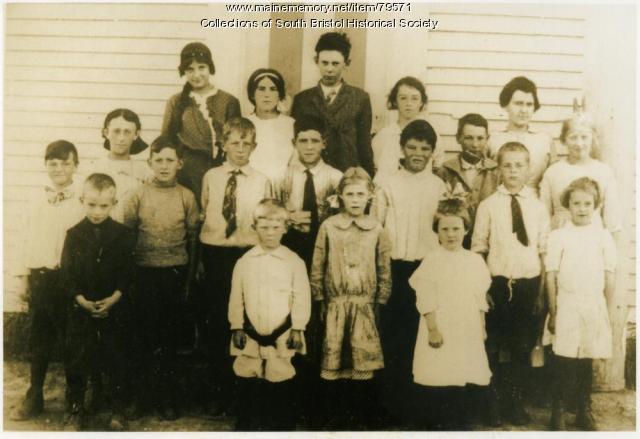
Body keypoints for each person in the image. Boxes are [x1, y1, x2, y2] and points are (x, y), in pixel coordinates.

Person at [370, 119, 445, 423]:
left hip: (426, 269)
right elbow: (376, 227)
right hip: (395, 267)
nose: (418, 153)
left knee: (422, 335)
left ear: (432, 153)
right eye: (412, 147)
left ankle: (420, 407)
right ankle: (391, 406)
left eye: (424, 149)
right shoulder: (385, 181)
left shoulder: (438, 186)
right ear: (401, 148)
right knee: (393, 335)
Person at [121, 137, 200, 420]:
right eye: (158, 160)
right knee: (142, 339)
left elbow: (192, 240)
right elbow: (127, 236)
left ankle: (167, 397)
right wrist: (128, 279)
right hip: (143, 276)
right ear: (150, 163)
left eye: (170, 160)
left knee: (168, 340)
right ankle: (141, 398)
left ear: (180, 163)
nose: (164, 166)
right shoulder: (137, 194)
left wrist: (189, 280)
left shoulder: (186, 196)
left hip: (174, 275)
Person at [471, 142, 549, 426]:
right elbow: (479, 248)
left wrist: (541, 294)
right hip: (498, 284)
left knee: (521, 346)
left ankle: (515, 403)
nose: (513, 171)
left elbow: (543, 251)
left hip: (529, 285)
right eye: (507, 165)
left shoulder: (538, 208)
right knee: (495, 345)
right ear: (499, 168)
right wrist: (484, 289)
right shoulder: (488, 206)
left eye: (519, 165)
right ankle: (494, 403)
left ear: (528, 169)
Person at [199, 117, 272, 414]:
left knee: (246, 321)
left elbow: (266, 220)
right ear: (224, 145)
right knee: (218, 322)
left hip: (248, 254)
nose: (240, 149)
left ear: (254, 146)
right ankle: (219, 390)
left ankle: (244, 391)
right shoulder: (212, 177)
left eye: (247, 143)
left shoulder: (261, 180)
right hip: (216, 254)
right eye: (234, 143)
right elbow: (204, 215)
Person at [273, 116, 342, 427]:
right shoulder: (281, 178)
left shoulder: (336, 178)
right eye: (303, 140)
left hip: (325, 256)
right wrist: (288, 216)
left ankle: (318, 402)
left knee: (319, 322)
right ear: (294, 143)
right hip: (292, 254)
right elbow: (269, 217)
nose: (310, 146)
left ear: (324, 143)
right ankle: (289, 398)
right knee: (291, 318)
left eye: (315, 140)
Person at [310, 167, 392, 429]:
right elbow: (318, 263)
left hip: (364, 304)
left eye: (360, 194)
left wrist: (380, 300)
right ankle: (335, 416)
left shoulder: (376, 228)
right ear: (340, 196)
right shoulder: (329, 227)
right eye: (350, 194)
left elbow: (383, 267)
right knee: (334, 357)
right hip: (335, 303)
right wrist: (320, 298)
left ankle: (360, 416)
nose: (355, 199)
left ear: (369, 196)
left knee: (362, 358)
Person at [10, 140, 84, 422]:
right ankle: (35, 394)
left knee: (73, 340)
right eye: (53, 163)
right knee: (39, 339)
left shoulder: (81, 199)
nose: (59, 168)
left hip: (69, 279)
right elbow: (23, 240)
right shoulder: (34, 200)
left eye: (66, 163)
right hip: (41, 278)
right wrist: (23, 279)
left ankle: (75, 399)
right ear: (45, 165)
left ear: (76, 165)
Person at [61, 173, 136, 431]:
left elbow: (127, 274)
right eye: (91, 204)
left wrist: (113, 300)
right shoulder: (73, 235)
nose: (97, 211)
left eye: (104, 205)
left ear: (114, 204)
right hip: (81, 309)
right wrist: (81, 300)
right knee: (78, 358)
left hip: (113, 308)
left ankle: (117, 409)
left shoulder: (123, 235)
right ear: (82, 200)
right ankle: (75, 409)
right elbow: (67, 273)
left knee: (116, 357)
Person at [409, 199, 492, 430]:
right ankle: (438, 422)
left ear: (466, 229)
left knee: (461, 370)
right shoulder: (432, 260)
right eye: (444, 229)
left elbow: (479, 298)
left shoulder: (474, 261)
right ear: (437, 232)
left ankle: (459, 421)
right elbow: (425, 297)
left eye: (456, 228)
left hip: (466, 324)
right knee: (439, 370)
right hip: (440, 323)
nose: (451, 234)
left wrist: (482, 327)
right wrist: (433, 329)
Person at [229, 199, 311, 430]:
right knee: (248, 370)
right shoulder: (244, 261)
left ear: (285, 228)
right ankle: (247, 422)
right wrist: (236, 326)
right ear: (254, 228)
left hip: (282, 330)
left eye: (276, 227)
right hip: (251, 331)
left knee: (280, 372)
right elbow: (237, 297)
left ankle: (280, 424)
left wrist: (298, 327)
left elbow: (301, 297)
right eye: (264, 227)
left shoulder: (294, 261)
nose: (270, 233)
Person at [543, 177, 616, 431]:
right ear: (568, 205)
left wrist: (606, 311)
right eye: (577, 203)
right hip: (567, 304)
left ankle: (584, 409)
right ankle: (558, 410)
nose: (582, 208)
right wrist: (553, 310)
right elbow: (551, 275)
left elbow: (609, 275)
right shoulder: (559, 236)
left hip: (592, 304)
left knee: (587, 359)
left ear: (596, 205)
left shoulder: (603, 236)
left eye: (587, 203)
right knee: (563, 359)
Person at [162, 41, 241, 203]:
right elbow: (166, 142)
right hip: (188, 172)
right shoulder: (176, 102)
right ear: (184, 72)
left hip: (221, 168)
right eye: (190, 69)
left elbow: (236, 139)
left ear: (210, 68)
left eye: (201, 67)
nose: (196, 74)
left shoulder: (228, 101)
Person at [291, 32, 374, 177]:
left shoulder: (360, 98)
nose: (329, 69)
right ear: (316, 61)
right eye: (325, 63)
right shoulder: (302, 99)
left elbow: (364, 144)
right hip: (312, 176)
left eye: (335, 63)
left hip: (346, 174)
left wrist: (367, 175)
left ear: (347, 63)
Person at [539, 112, 621, 239]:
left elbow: (612, 220)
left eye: (584, 137)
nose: (579, 143)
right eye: (573, 137)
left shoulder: (604, 171)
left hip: (594, 238)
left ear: (592, 139)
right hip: (561, 238)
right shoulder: (553, 172)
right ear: (564, 140)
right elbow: (543, 216)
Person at [437, 113, 499, 248]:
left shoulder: (496, 172)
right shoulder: (446, 171)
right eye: (469, 138)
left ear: (487, 139)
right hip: (454, 241)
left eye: (480, 138)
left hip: (488, 240)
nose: (475, 144)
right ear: (458, 138)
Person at [488, 76, 556, 192]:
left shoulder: (544, 140)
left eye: (529, 104)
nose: (524, 110)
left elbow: (553, 181)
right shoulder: (493, 140)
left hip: (535, 203)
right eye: (518, 104)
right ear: (506, 105)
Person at [88, 108, 151, 222]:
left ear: (136, 134)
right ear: (106, 133)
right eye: (116, 131)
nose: (121, 138)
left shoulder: (144, 172)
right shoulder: (94, 168)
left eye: (127, 132)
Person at [372, 76, 443, 176]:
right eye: (403, 98)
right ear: (395, 101)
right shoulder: (383, 136)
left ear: (421, 102)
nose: (408, 103)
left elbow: (437, 167)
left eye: (414, 98)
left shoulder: (432, 135)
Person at [246, 68, 295, 180]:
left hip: (283, 185)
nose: (267, 95)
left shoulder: (290, 124)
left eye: (273, 89)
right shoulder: (245, 123)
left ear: (280, 95)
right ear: (252, 94)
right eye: (261, 89)